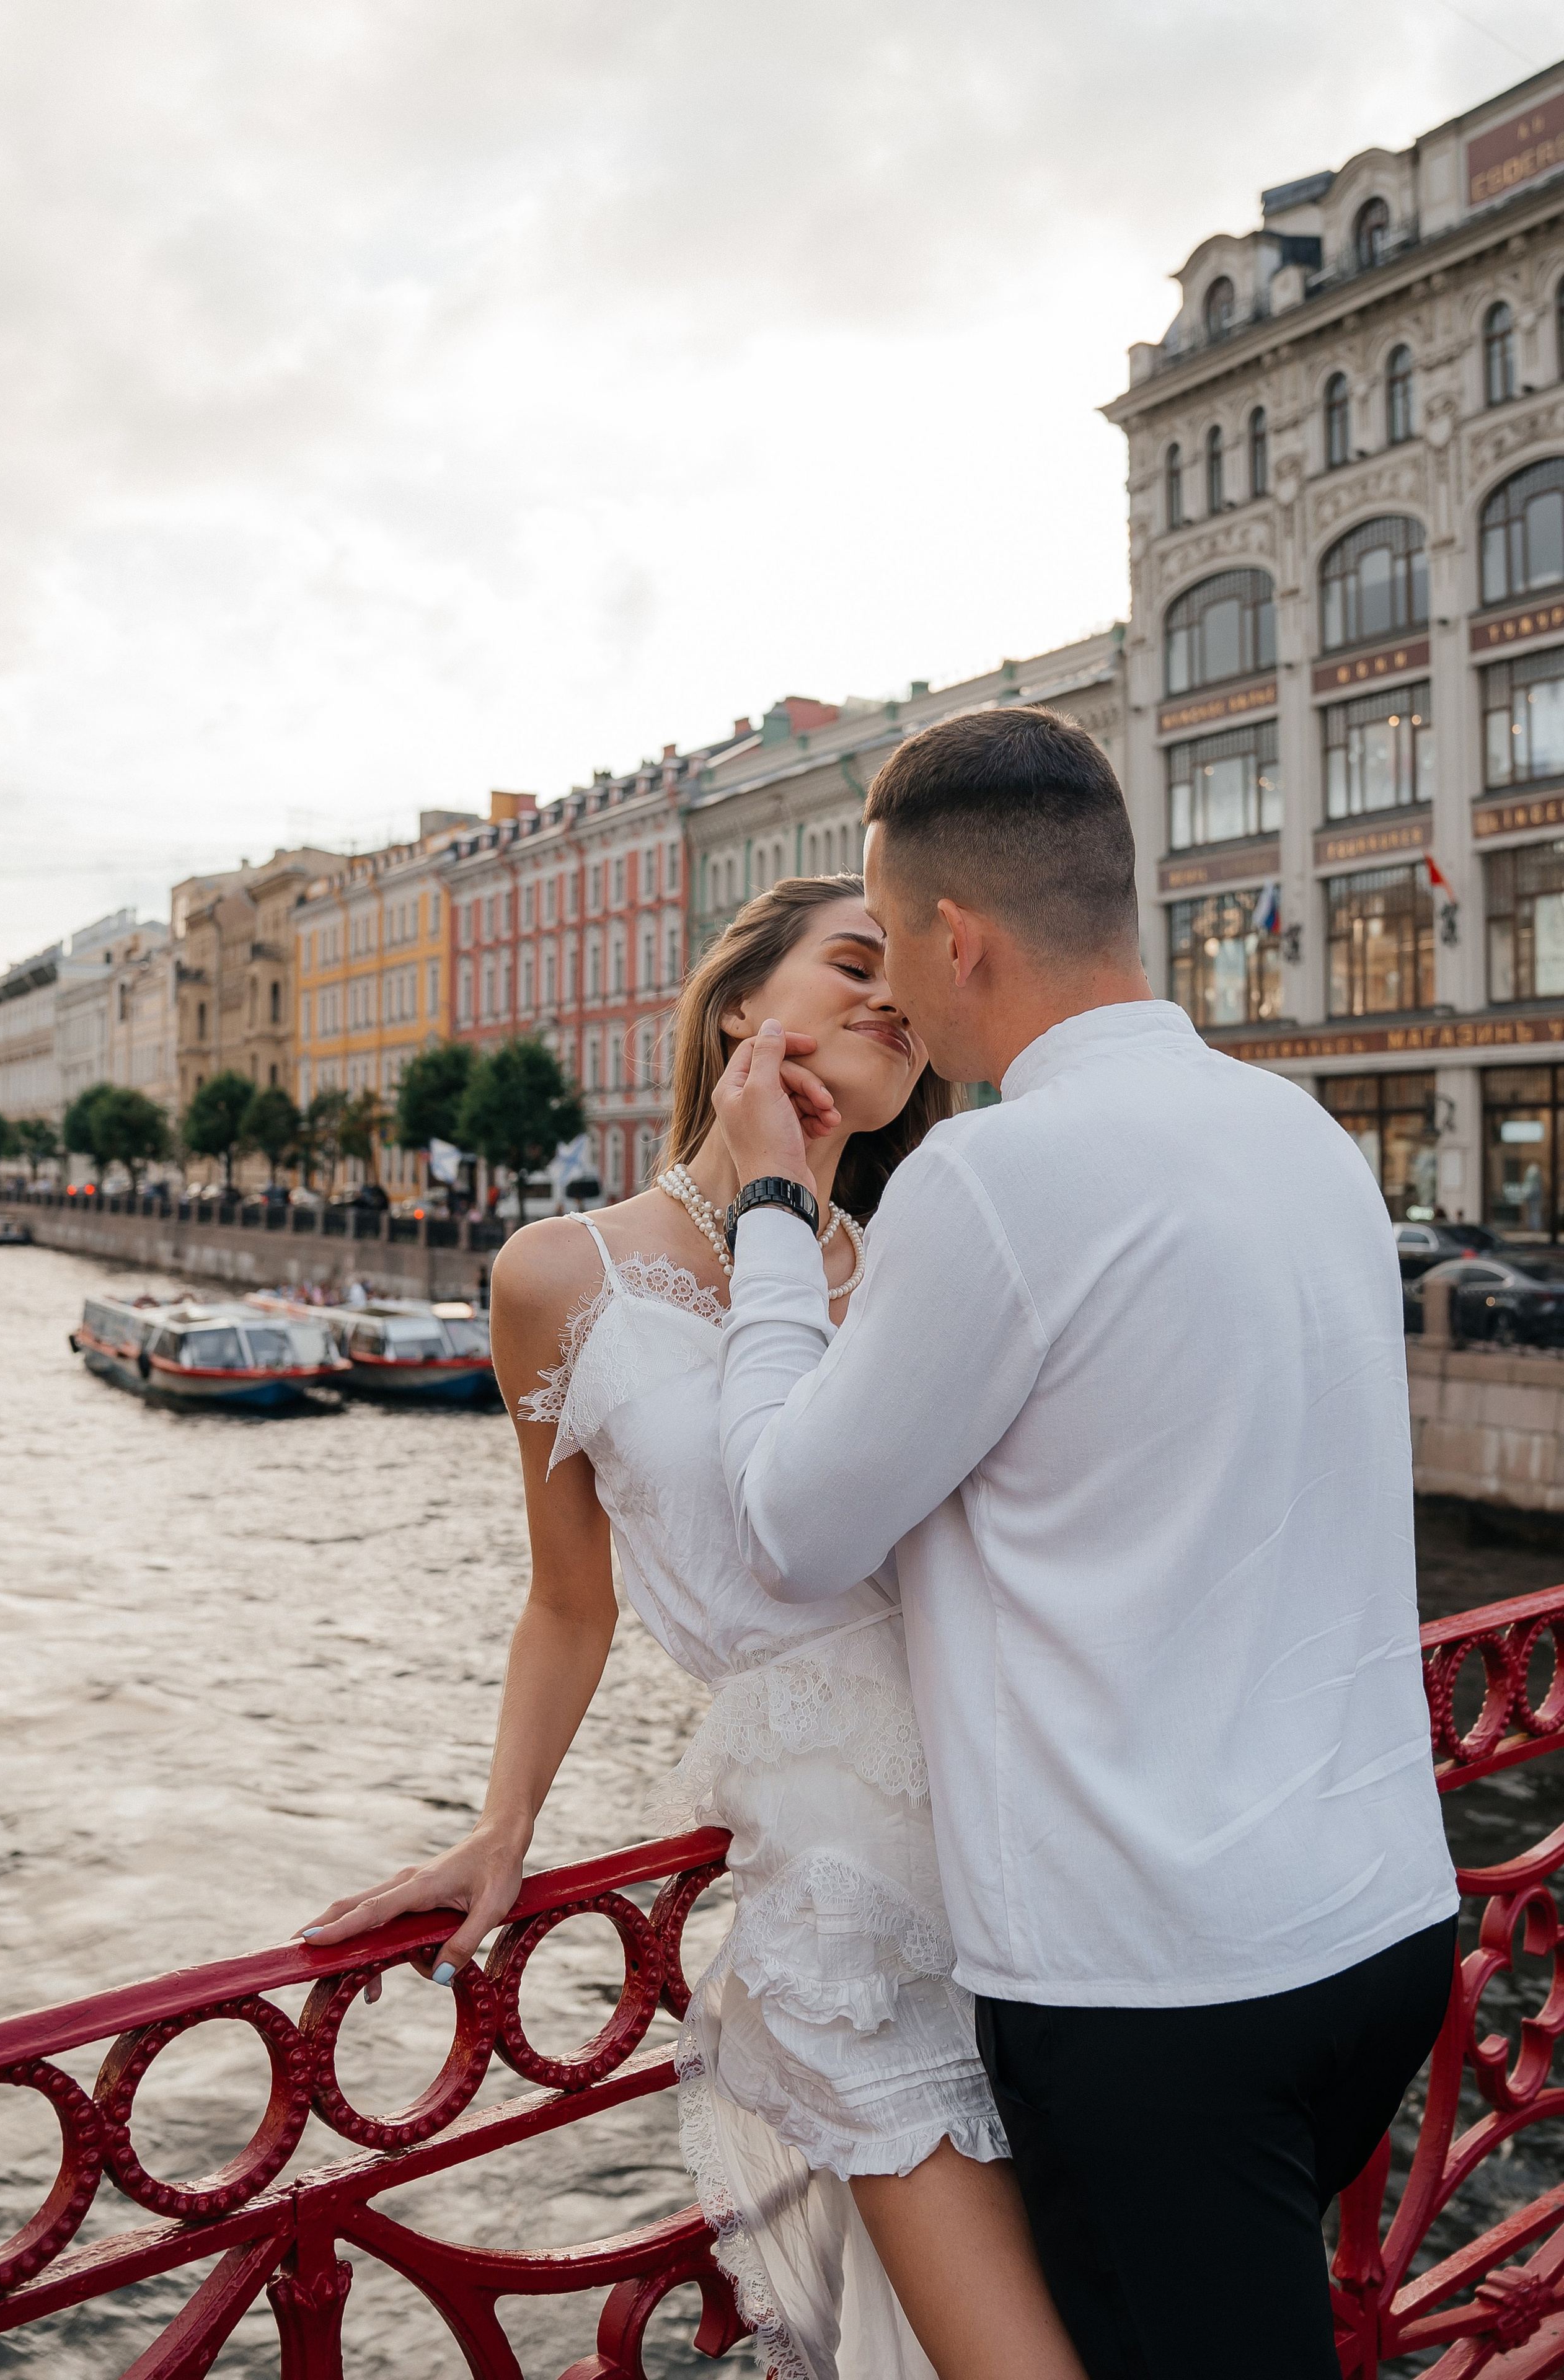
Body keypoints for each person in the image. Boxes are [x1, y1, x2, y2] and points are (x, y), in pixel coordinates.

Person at [708, 706, 1460, 2380]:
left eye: (897, 947)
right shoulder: (1306, 1141)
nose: (894, 990)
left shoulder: (993, 1179)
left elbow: (789, 1528)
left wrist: (774, 1212)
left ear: (958, 939)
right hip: (1377, 1925)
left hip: (1163, 1985)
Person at [301, 874, 1084, 2380]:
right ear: (738, 1007)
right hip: (839, 1874)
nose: (888, 1000)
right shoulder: (557, 1273)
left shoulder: (921, 1259)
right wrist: (502, 1823)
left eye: (904, 991)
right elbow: (566, 1600)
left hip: (1032, 1846)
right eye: (852, 964)